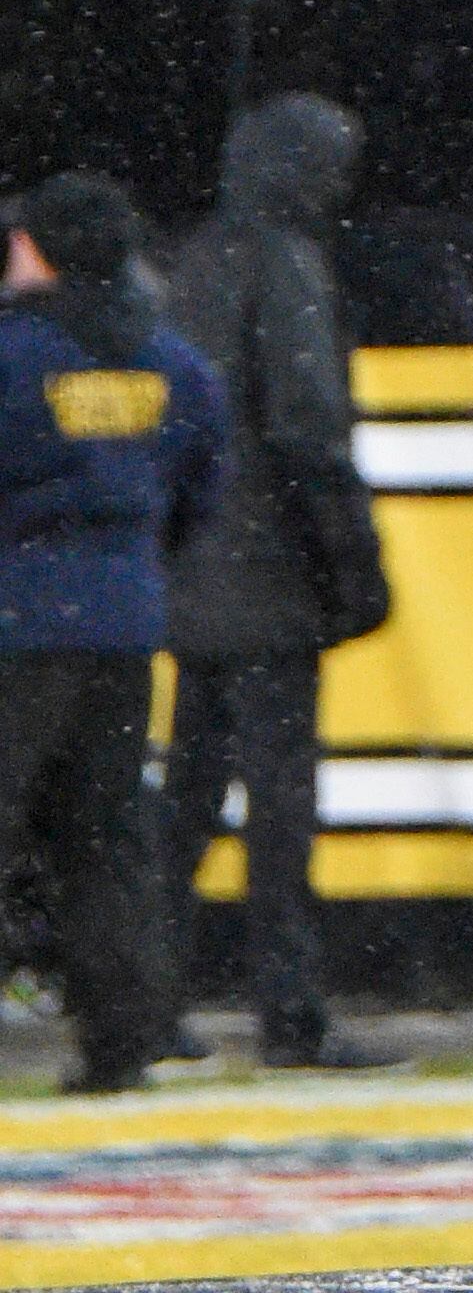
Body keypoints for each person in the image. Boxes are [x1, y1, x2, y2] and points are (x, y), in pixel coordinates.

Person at [156, 95, 396, 1075]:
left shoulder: (195, 259)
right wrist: (356, 561)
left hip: (195, 576)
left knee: (185, 805)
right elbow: (306, 427)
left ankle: (146, 999)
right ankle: (290, 1014)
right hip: (272, 580)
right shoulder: (290, 262)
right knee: (282, 813)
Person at [0, 171, 225, 1096]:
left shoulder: (15, 356)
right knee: (108, 838)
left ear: (39, 250)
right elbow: (201, 484)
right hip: (127, 625)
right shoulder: (171, 360)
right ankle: (122, 1039)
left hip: (17, 623)